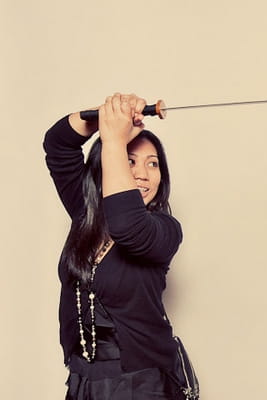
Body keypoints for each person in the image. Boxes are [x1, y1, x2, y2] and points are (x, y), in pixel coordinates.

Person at [44, 93, 199, 399]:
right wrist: (104, 116)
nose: (142, 174)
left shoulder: (164, 230)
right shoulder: (84, 213)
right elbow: (58, 144)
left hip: (142, 384)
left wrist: (114, 140)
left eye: (152, 164)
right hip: (84, 381)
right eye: (130, 161)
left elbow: (128, 225)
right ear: (107, 167)